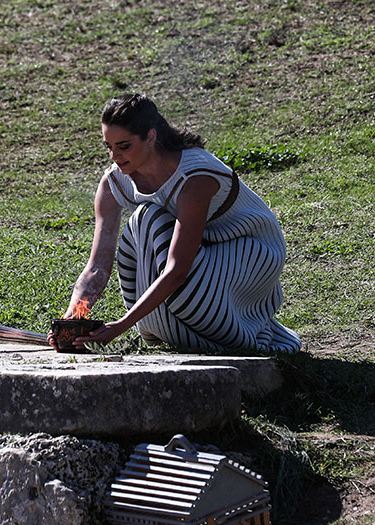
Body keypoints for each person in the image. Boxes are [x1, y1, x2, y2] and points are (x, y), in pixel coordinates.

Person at [55, 93, 301, 353]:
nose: (114, 155)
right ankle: (185, 332)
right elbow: (97, 267)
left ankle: (240, 331)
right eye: (108, 146)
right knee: (142, 227)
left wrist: (121, 326)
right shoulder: (113, 182)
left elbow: (178, 269)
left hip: (249, 251)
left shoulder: (194, 178)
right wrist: (72, 320)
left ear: (151, 137)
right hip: (199, 257)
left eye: (124, 146)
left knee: (147, 218)